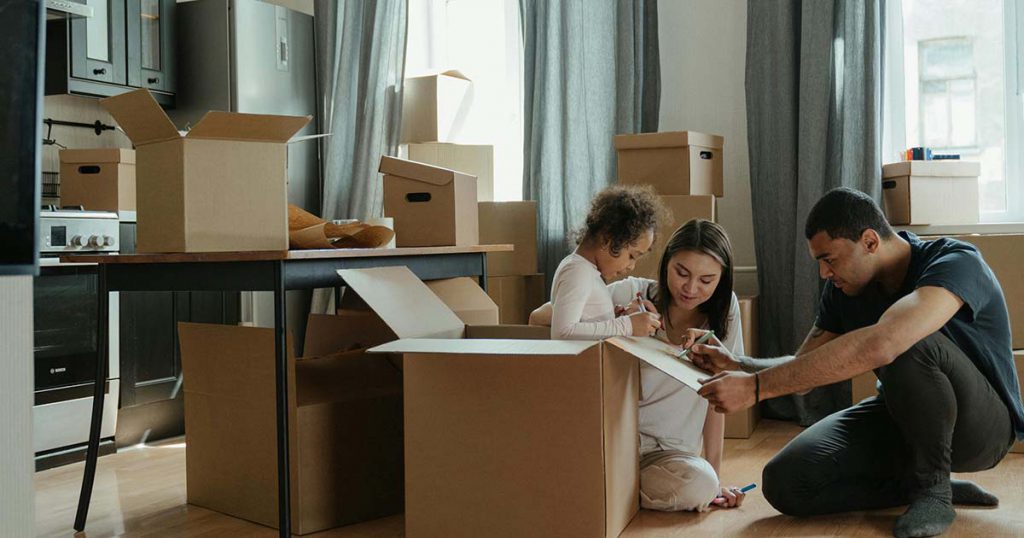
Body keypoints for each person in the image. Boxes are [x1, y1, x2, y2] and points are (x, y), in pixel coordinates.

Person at [693, 188, 1023, 537]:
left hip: (983, 430)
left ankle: (934, 490)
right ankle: (915, 484)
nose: (823, 273)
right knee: (785, 482)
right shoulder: (844, 290)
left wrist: (756, 389)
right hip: (902, 417)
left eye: (829, 259)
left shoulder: (956, 261)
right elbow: (804, 369)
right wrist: (739, 365)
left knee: (906, 340)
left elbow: (887, 342)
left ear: (869, 241)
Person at [533, 219, 749, 511]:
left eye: (706, 280)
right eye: (681, 273)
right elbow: (541, 317)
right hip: (614, 442)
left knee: (702, 485)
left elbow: (718, 398)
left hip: (670, 455)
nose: (690, 288)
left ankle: (605, 490)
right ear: (666, 263)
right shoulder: (632, 293)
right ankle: (608, 488)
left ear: (722, 279)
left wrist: (716, 477)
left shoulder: (726, 313)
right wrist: (620, 321)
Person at [548, 185, 665, 340]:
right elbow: (562, 333)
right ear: (607, 238)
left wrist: (613, 319)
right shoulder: (578, 271)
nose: (632, 266)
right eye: (631, 256)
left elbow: (585, 324)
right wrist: (626, 325)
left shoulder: (587, 271)